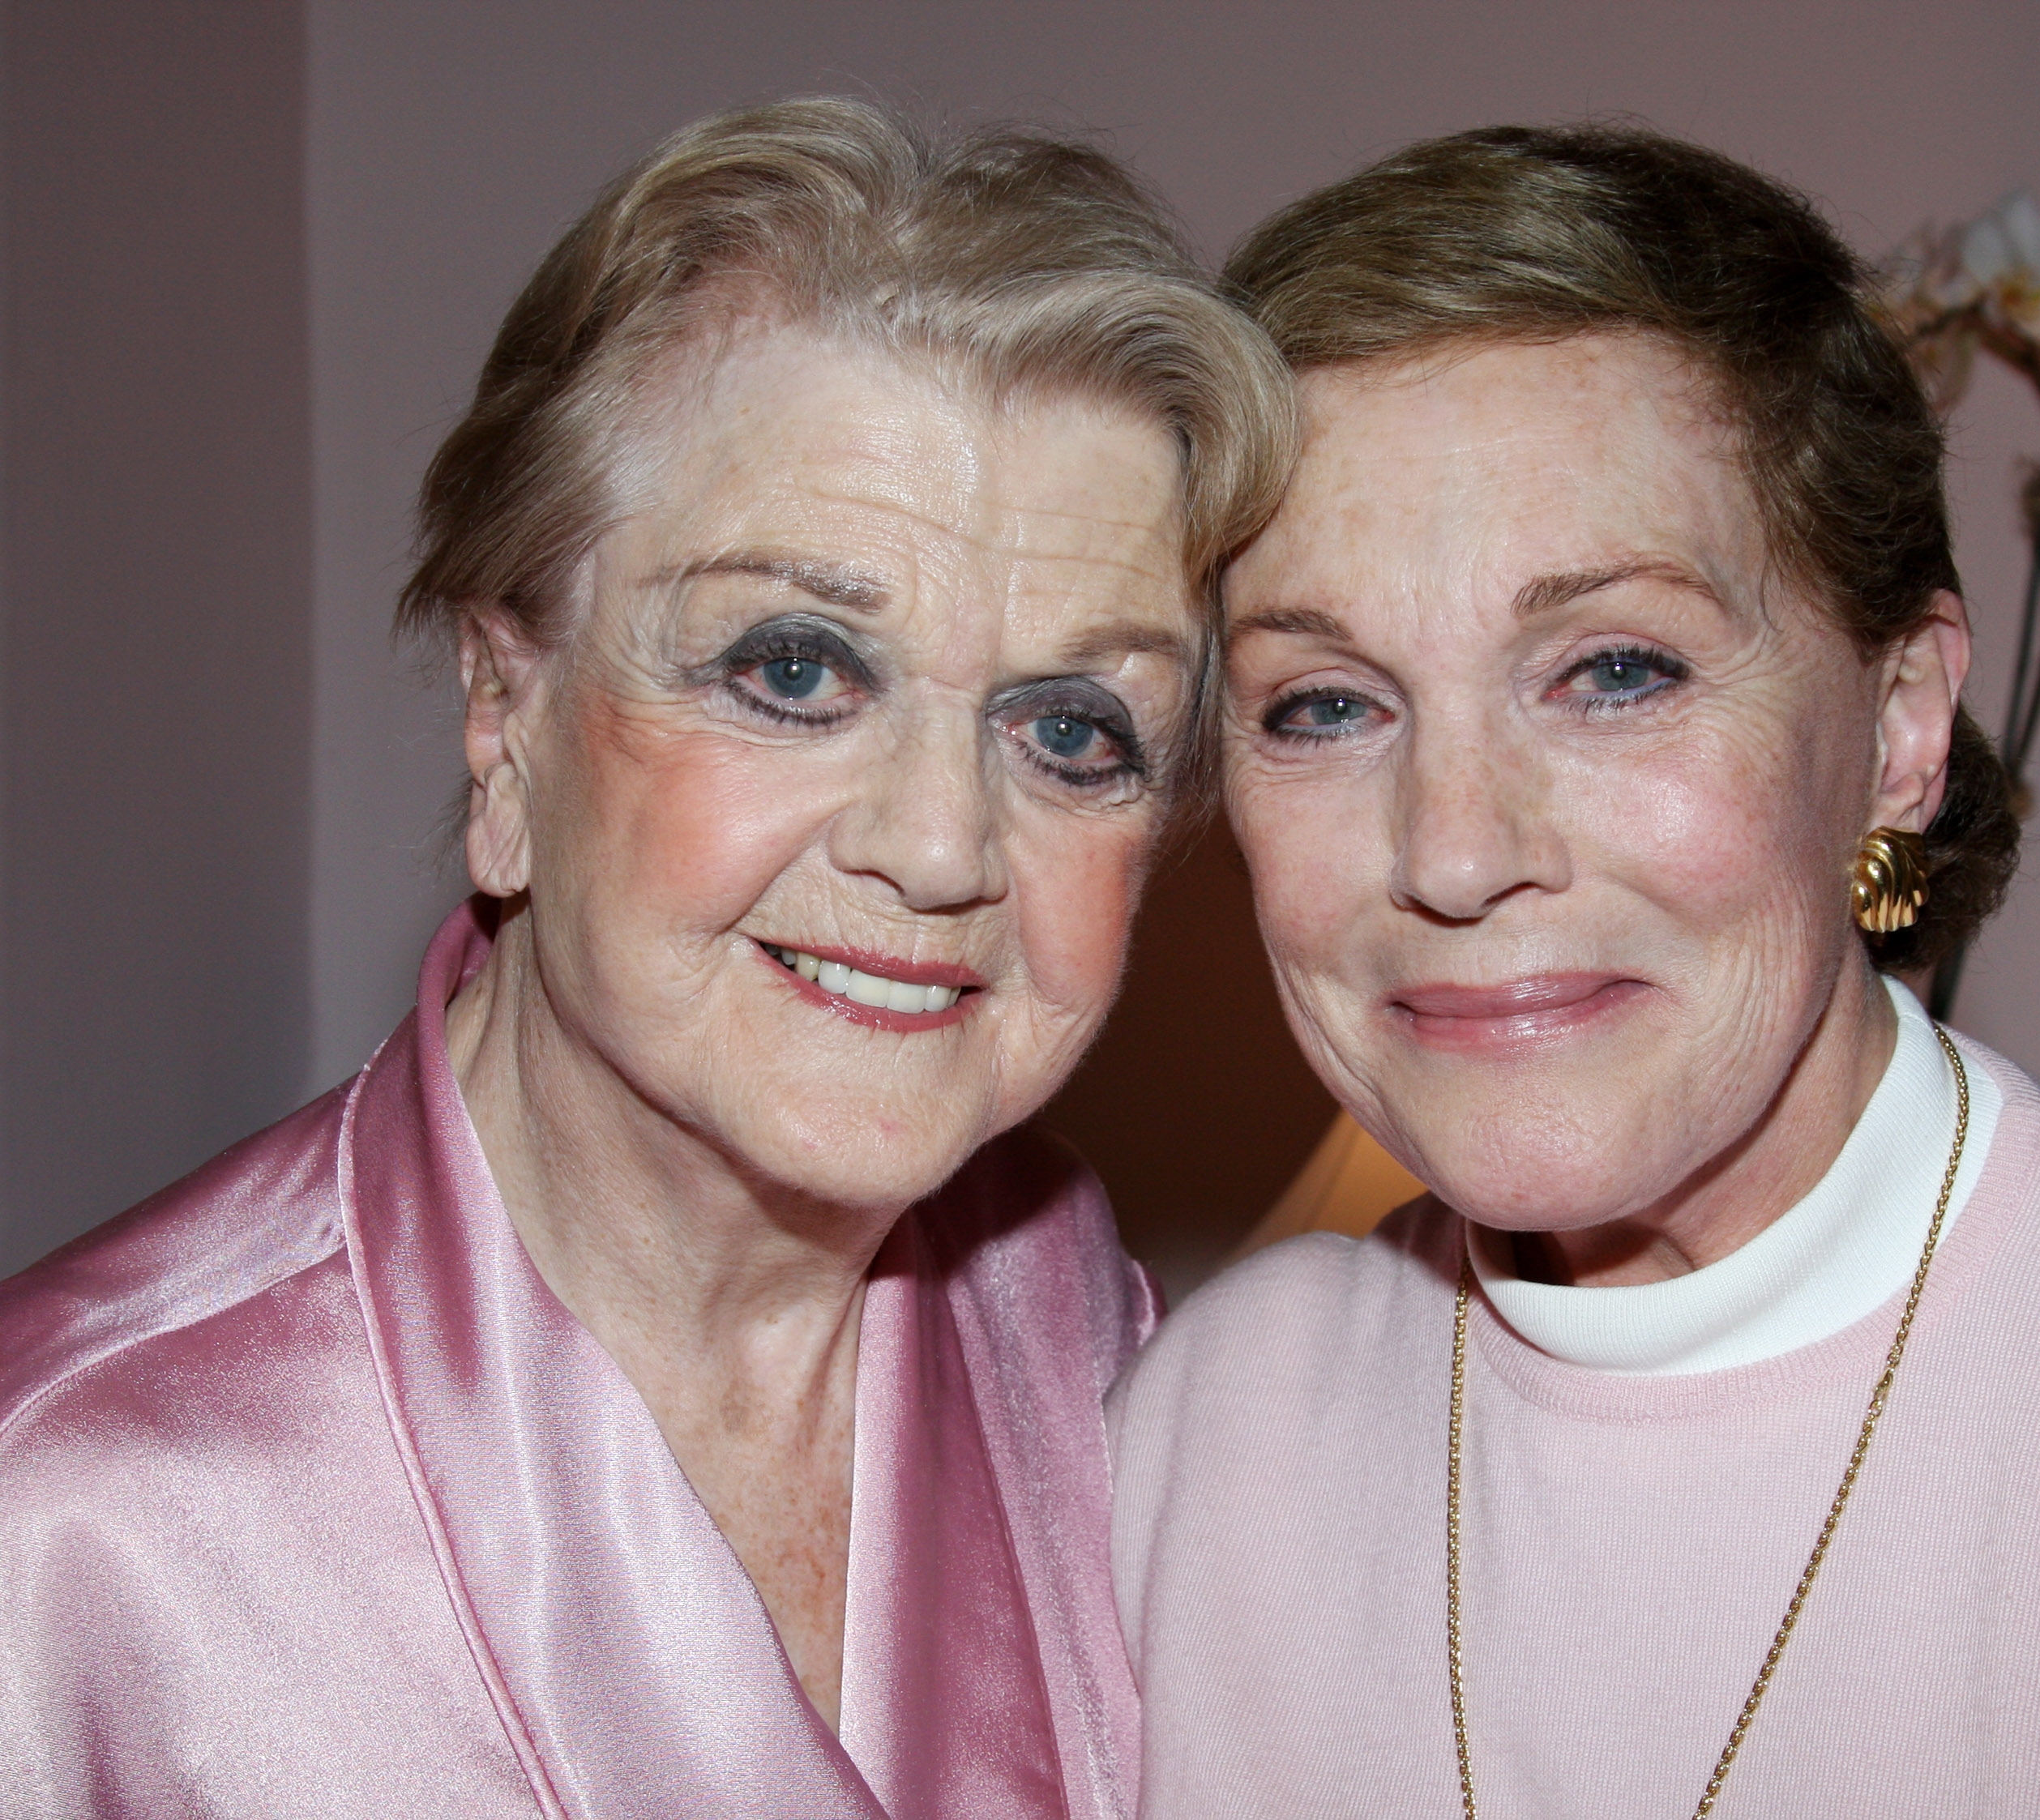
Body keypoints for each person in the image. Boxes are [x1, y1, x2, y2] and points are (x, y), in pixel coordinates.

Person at [1111, 124, 2040, 1816]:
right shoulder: (1195, 1445)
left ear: (1898, 728)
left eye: (1614, 670)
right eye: (1325, 703)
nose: (1451, 850)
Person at [0, 99, 1290, 1819]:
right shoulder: (67, 1517)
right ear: (506, 712)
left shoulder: (1075, 1332)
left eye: (1070, 728)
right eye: (794, 667)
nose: (939, 846)